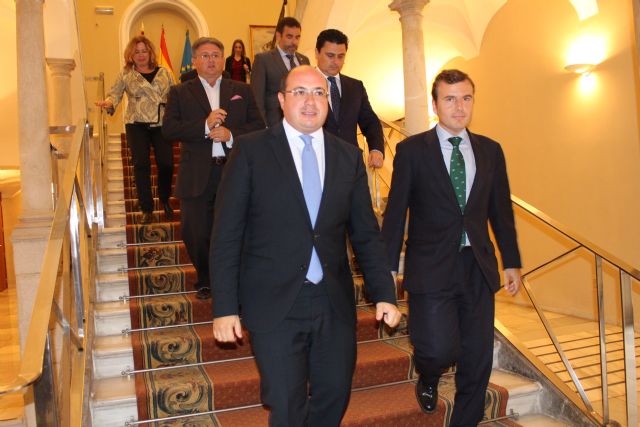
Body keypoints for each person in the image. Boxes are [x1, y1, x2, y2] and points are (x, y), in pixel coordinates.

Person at [211, 65, 401, 426]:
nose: (310, 101)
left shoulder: (348, 155)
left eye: (318, 93)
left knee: (335, 394)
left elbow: (365, 234)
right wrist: (224, 307)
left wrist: (384, 294)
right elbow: (226, 235)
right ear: (282, 100)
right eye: (299, 92)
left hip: (332, 300)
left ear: (327, 101)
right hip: (273, 301)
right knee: (285, 403)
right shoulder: (251, 152)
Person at [381, 69, 522, 426]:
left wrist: (511, 261)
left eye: (466, 98)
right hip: (430, 266)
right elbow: (396, 212)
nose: (459, 107)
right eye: (450, 99)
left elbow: (500, 210)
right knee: (438, 348)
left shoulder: (490, 150)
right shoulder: (412, 150)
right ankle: (428, 374)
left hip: (477, 265)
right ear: (435, 104)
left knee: (477, 358)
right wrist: (388, 270)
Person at [162, 37, 264, 300]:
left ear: (223, 59)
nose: (211, 60)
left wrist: (230, 135)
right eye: (205, 55)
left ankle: (235, 280)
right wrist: (204, 126)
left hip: (234, 173)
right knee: (195, 232)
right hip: (196, 175)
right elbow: (169, 129)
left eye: (216, 55)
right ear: (194, 61)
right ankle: (206, 278)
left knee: (235, 229)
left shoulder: (242, 89)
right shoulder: (179, 92)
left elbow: (258, 127)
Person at [96, 35, 174, 224]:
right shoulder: (126, 73)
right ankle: (146, 208)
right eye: (136, 51)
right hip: (135, 123)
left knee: (166, 163)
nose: (140, 55)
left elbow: (175, 95)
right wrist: (108, 102)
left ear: (150, 53)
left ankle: (164, 198)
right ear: (131, 54)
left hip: (161, 123)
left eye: (144, 51)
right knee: (141, 165)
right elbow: (115, 94)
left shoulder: (164, 72)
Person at [315, 29, 385, 169]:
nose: (335, 62)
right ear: (317, 53)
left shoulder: (355, 87)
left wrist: (376, 149)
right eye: (330, 55)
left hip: (351, 163)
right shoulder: (303, 85)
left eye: (341, 56)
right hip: (318, 162)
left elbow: (370, 121)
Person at [251, 17, 310, 126]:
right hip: (274, 124)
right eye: (289, 37)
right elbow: (257, 99)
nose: (294, 42)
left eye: (297, 37)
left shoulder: (305, 60)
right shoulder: (263, 60)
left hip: (301, 124)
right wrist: (263, 127)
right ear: (278, 36)